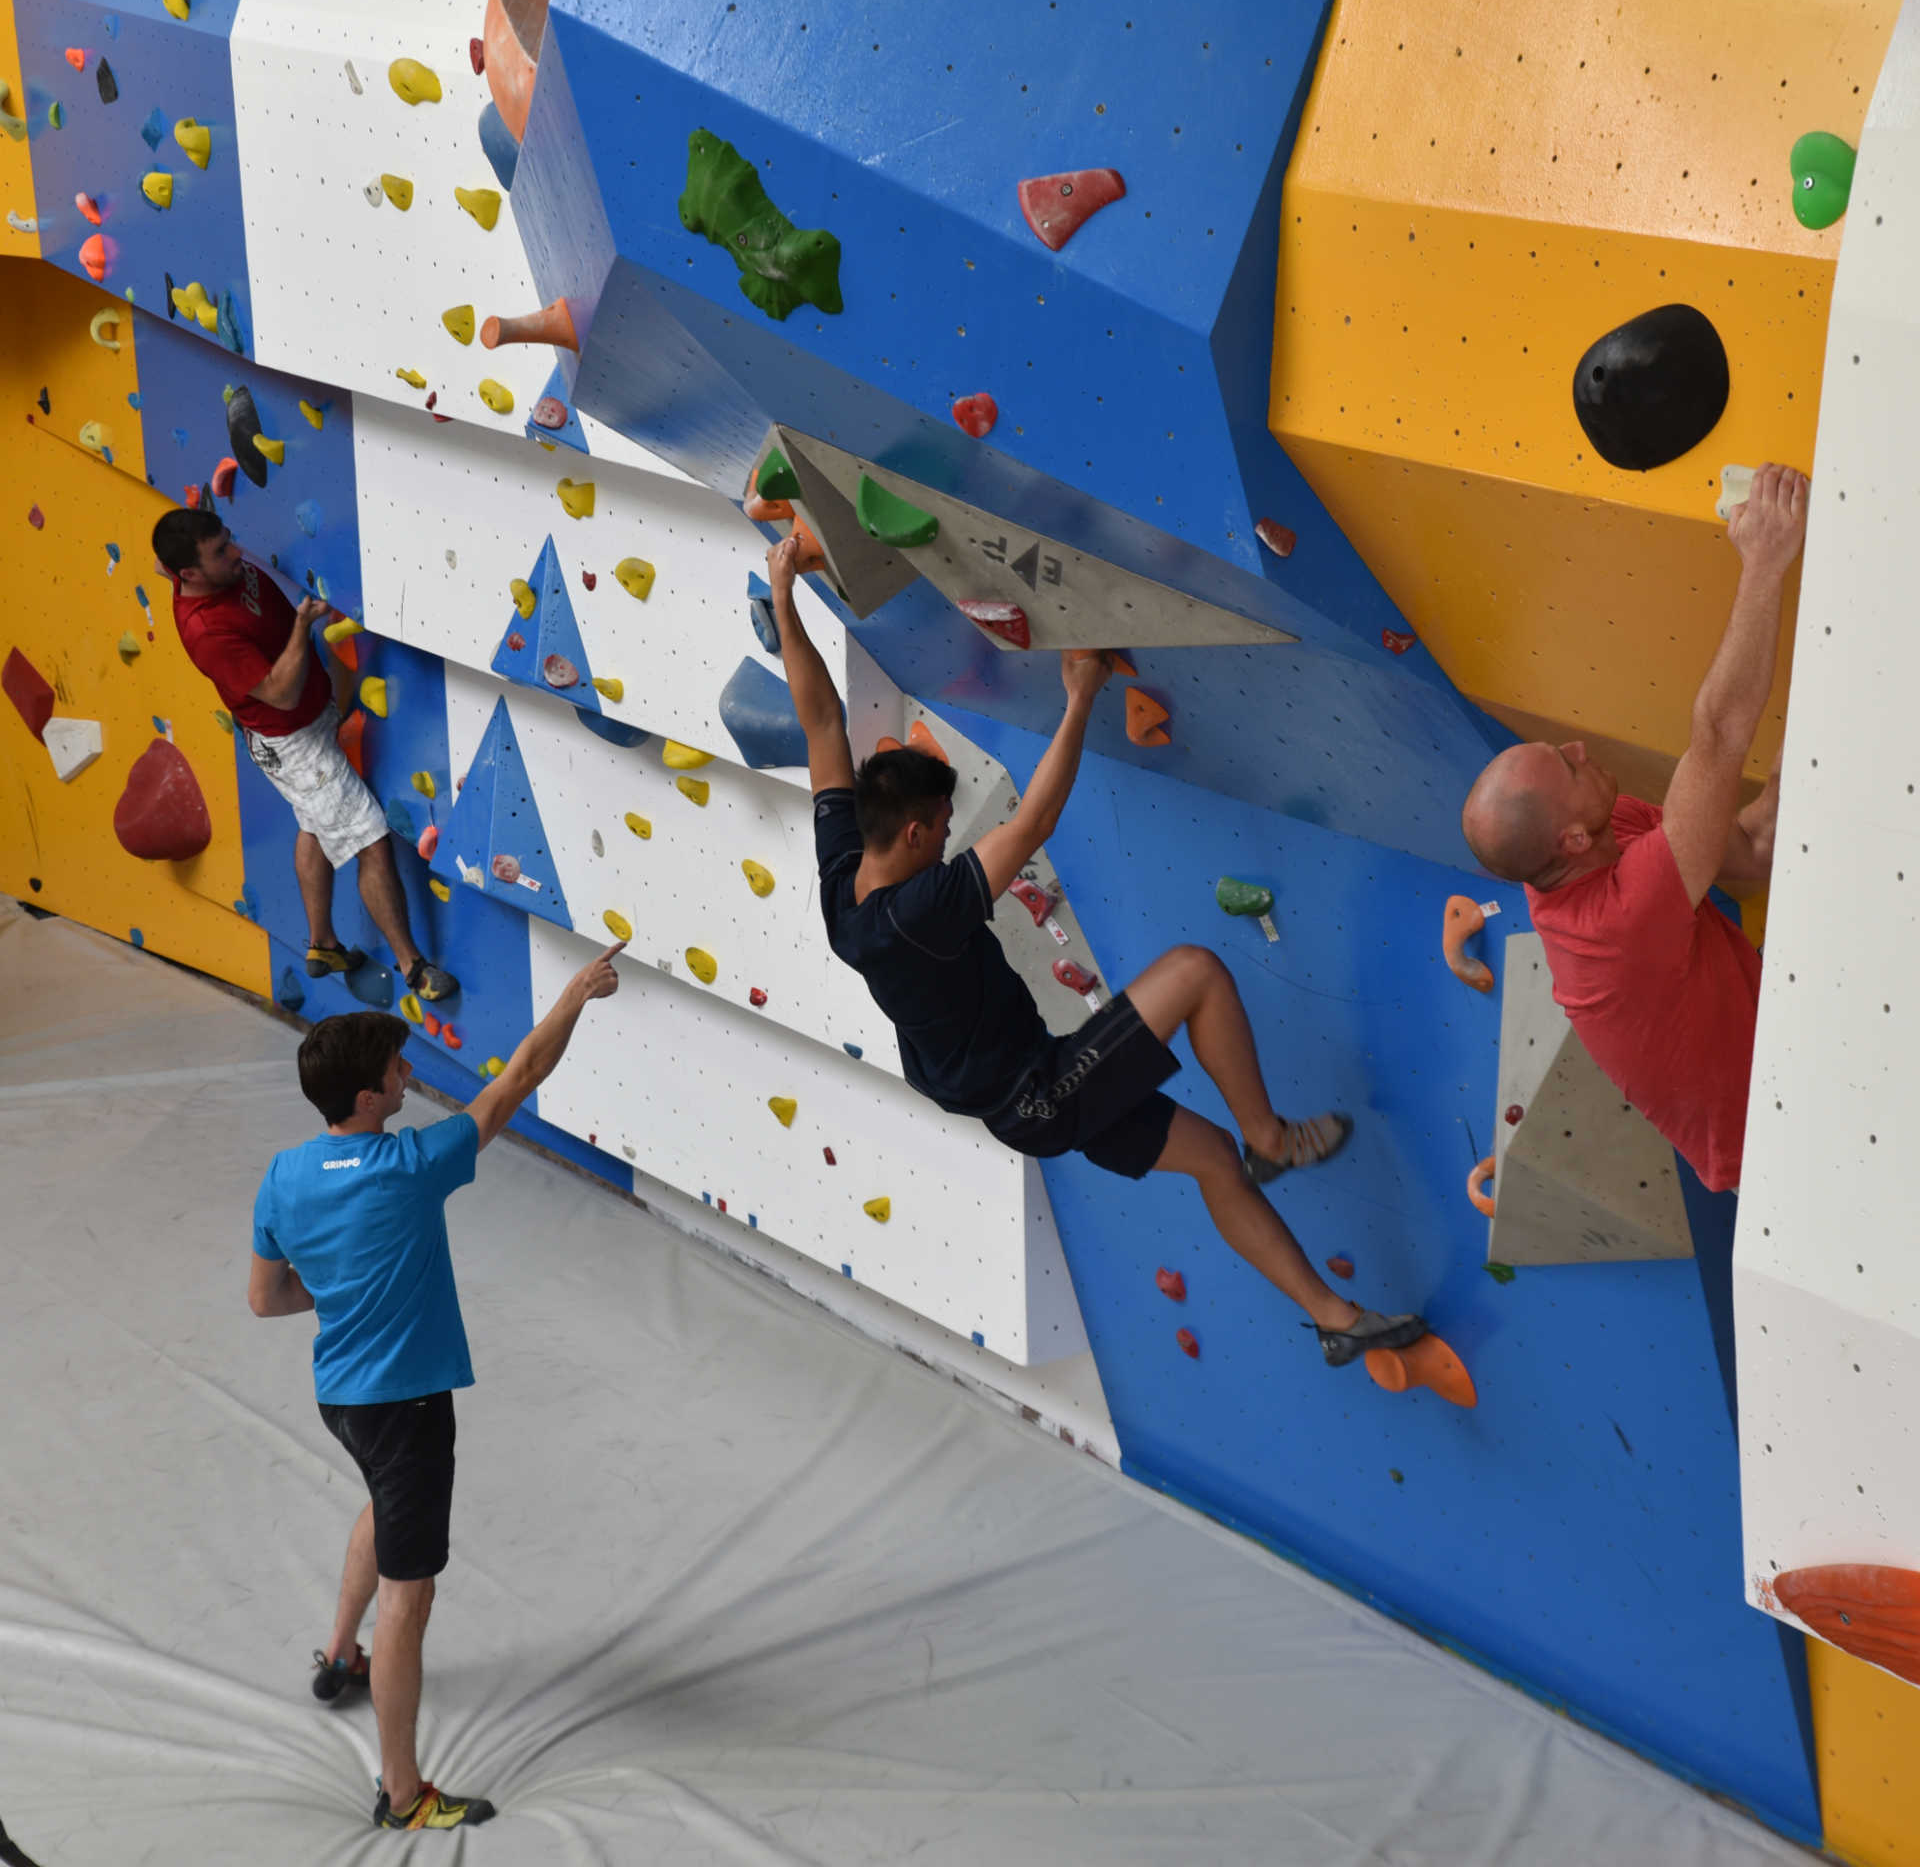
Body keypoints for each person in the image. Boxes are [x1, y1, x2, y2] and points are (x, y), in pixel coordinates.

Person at [764, 534, 1427, 1366]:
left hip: (1020, 1089)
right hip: (1037, 1093)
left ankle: (1334, 1316)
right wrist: (1079, 696)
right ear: (915, 830)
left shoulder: (843, 876)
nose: (946, 840)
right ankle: (1268, 1136)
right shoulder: (918, 910)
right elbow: (1032, 824)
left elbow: (819, 717)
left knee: (1212, 1162)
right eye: (939, 832)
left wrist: (784, 597)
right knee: (1196, 973)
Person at [248, 942, 623, 1830]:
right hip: (406, 1408)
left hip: (341, 1397)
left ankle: (339, 1654)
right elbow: (519, 1077)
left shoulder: (284, 1174)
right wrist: (577, 992)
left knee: (382, 1508)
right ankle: (403, 1791)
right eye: (396, 1067)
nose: (409, 1071)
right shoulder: (412, 1169)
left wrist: (339, 1289)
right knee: (409, 1600)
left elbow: (266, 1299)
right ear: (370, 1098)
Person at [1459, 462, 1807, 1194]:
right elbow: (1717, 735)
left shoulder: (1603, 822)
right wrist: (1766, 558)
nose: (1581, 749)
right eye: (1567, 762)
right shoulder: (1612, 927)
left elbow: (1751, 850)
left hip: (1792, 1054)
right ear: (1571, 844)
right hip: (1779, 1154)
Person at [152, 507, 459, 1002]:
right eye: (220, 553)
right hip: (296, 741)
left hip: (294, 731)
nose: (236, 553)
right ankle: (413, 966)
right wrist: (302, 627)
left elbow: (165, 561)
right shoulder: (206, 632)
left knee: (315, 822)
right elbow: (278, 692)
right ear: (188, 574)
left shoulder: (196, 572)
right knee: (370, 840)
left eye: (230, 540)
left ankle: (321, 944)